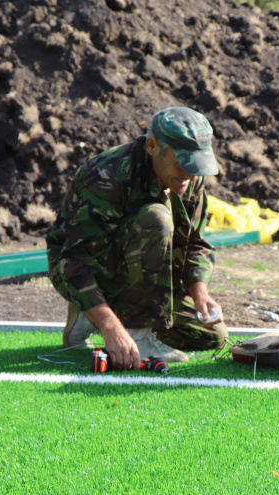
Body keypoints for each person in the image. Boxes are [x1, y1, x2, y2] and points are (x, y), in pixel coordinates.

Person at [46, 107, 228, 371]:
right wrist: (111, 329)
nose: (190, 175)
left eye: (196, 165)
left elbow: (196, 244)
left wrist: (200, 292)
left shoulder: (188, 178)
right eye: (182, 163)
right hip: (84, 269)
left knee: (212, 336)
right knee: (156, 218)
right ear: (153, 146)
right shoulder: (109, 175)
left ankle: (92, 317)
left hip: (147, 283)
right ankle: (130, 329)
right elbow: (74, 263)